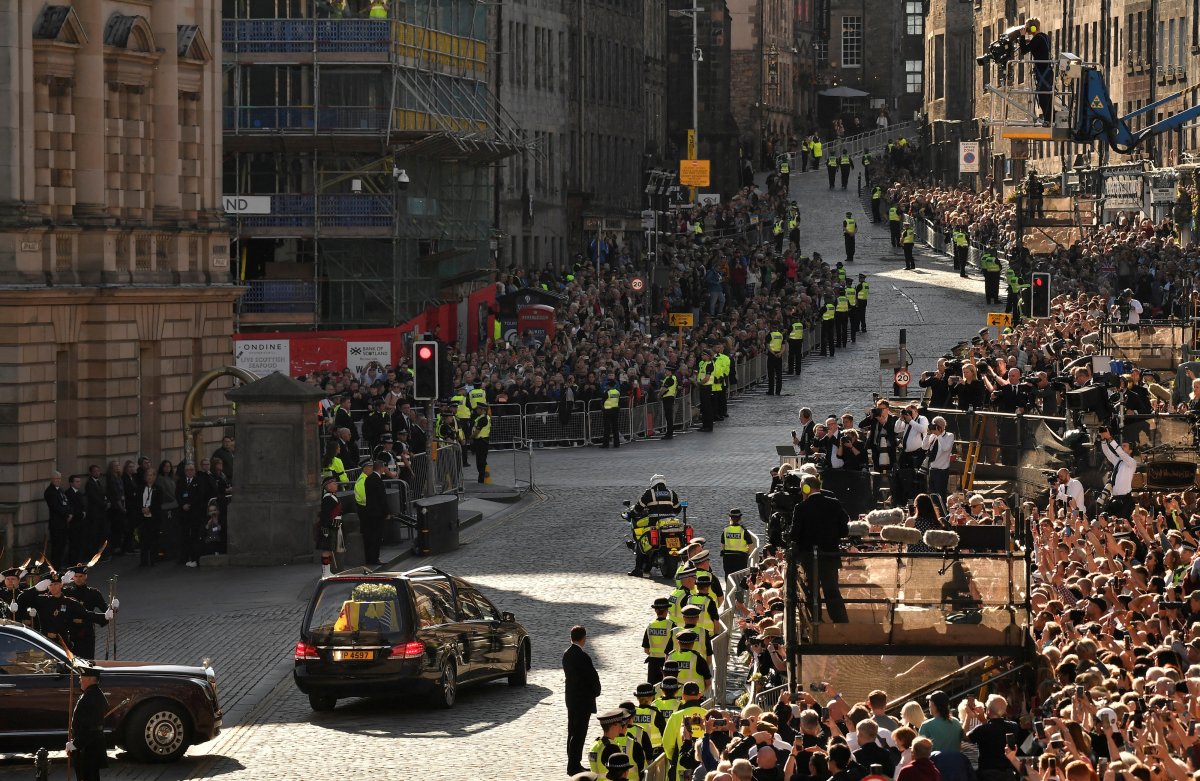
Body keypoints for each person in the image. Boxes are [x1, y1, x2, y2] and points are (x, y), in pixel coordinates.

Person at [789, 475, 849, 622]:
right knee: (832, 591)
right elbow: (844, 531)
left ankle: (815, 624)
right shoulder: (834, 504)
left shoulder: (801, 507)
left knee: (812, 592)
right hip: (830, 556)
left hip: (809, 558)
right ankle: (841, 622)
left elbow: (794, 535)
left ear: (805, 488)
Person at [564, 625, 602, 775]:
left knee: (572, 732)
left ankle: (571, 762)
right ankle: (574, 764)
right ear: (584, 638)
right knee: (579, 733)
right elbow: (591, 677)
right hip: (583, 701)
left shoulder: (567, 654)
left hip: (571, 700)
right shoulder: (583, 656)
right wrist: (596, 691)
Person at [62, 566, 113, 661]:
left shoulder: (93, 593)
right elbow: (50, 595)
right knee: (70, 660)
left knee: (87, 660)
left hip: (86, 631)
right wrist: (62, 583)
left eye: (81, 576)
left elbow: (105, 609)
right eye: (76, 576)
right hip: (69, 631)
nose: (78, 579)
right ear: (72, 578)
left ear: (86, 576)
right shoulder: (66, 592)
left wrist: (112, 608)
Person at [67, 667, 108, 781]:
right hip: (88, 748)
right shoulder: (92, 694)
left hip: (88, 749)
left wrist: (75, 744)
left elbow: (90, 728)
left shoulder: (91, 697)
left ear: (90, 679)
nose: (79, 680)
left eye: (81, 678)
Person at [966, 694, 1020, 781]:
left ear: (988, 710)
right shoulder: (1013, 726)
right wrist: (984, 721)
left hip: (987, 774)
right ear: (1004, 710)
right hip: (1007, 774)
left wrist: (969, 715)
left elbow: (966, 737)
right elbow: (994, 729)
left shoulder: (982, 729)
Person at [1011, 18, 1053, 124]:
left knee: (1043, 96)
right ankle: (1049, 118)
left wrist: (1022, 36)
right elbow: (1036, 46)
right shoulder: (1044, 37)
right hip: (1047, 71)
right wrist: (1027, 40)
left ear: (1033, 28)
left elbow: (1024, 50)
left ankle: (1048, 119)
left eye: (1029, 28)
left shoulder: (1037, 39)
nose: (1028, 31)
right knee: (1047, 96)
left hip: (1042, 71)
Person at [176, 462, 209, 569]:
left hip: (195, 512)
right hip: (183, 513)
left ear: (194, 471)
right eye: (187, 470)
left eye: (192, 469)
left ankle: (195, 557)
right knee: (184, 535)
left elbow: (200, 495)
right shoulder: (180, 482)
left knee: (195, 536)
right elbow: (177, 494)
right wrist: (183, 504)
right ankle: (183, 557)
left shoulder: (199, 481)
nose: (190, 471)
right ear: (185, 471)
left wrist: (190, 504)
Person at [1098, 426, 1136, 517]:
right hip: (1114, 498)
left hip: (1125, 500)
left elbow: (1120, 452)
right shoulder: (1118, 461)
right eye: (1121, 446)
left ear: (1130, 450)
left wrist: (1109, 438)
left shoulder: (1132, 462)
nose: (1122, 447)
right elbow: (1107, 452)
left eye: (1124, 446)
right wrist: (1103, 439)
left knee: (1122, 524)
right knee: (1106, 520)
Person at [316, 475, 343, 577]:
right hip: (329, 527)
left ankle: (328, 570)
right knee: (326, 550)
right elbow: (325, 515)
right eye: (334, 483)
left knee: (330, 549)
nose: (336, 485)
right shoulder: (327, 498)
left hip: (334, 526)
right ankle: (325, 572)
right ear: (328, 487)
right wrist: (325, 528)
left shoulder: (333, 496)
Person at [923, 417, 955, 499]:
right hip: (932, 470)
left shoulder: (949, 435)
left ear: (942, 426)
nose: (935, 428)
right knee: (932, 496)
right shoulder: (933, 436)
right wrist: (928, 434)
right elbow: (924, 447)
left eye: (936, 426)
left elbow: (946, 448)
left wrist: (939, 435)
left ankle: (942, 511)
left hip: (942, 472)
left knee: (940, 496)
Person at [643, 598, 673, 684]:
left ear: (655, 611)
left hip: (653, 663)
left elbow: (646, 649)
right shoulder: (671, 625)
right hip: (667, 662)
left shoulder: (650, 626)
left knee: (652, 687)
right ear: (666, 610)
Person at [138, 470, 163, 568]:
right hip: (143, 516)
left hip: (153, 516)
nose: (150, 477)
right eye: (148, 475)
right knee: (143, 539)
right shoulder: (140, 488)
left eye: (152, 475)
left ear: (155, 477)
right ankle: (143, 561)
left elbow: (158, 502)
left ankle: (153, 560)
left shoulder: (158, 488)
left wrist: (150, 509)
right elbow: (137, 500)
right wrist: (142, 509)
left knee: (154, 539)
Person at [44, 472, 71, 568]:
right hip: (56, 523)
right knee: (56, 546)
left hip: (63, 522)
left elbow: (66, 502)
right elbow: (55, 507)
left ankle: (59, 564)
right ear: (52, 479)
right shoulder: (50, 492)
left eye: (59, 478)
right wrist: (66, 513)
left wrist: (69, 513)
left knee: (62, 544)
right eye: (56, 478)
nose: (58, 480)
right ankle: (55, 566)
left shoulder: (60, 490)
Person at [720, 508, 751, 575]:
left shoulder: (726, 530)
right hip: (741, 557)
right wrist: (748, 553)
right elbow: (750, 545)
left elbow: (722, 544)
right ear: (740, 519)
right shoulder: (743, 531)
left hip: (728, 557)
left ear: (730, 518)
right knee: (740, 576)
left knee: (728, 576)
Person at [470, 403, 491, 483]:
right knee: (481, 461)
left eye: (478, 409)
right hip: (481, 442)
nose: (476, 410)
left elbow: (477, 431)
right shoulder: (481, 417)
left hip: (482, 442)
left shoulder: (483, 419)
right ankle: (484, 478)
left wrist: (471, 437)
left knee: (481, 462)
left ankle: (483, 479)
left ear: (482, 410)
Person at [660, 365, 678, 439]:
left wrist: (659, 395)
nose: (665, 371)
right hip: (670, 397)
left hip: (668, 397)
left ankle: (669, 433)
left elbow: (664, 388)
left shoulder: (670, 378)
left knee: (668, 416)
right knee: (669, 416)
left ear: (670, 372)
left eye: (667, 370)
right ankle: (669, 432)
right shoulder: (672, 378)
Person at [766, 328, 785, 396]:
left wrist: (773, 353)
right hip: (779, 356)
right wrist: (780, 353)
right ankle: (778, 391)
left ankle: (771, 391)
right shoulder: (781, 335)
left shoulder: (770, 335)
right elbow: (783, 346)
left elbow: (768, 346)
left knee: (771, 374)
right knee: (779, 374)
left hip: (772, 356)